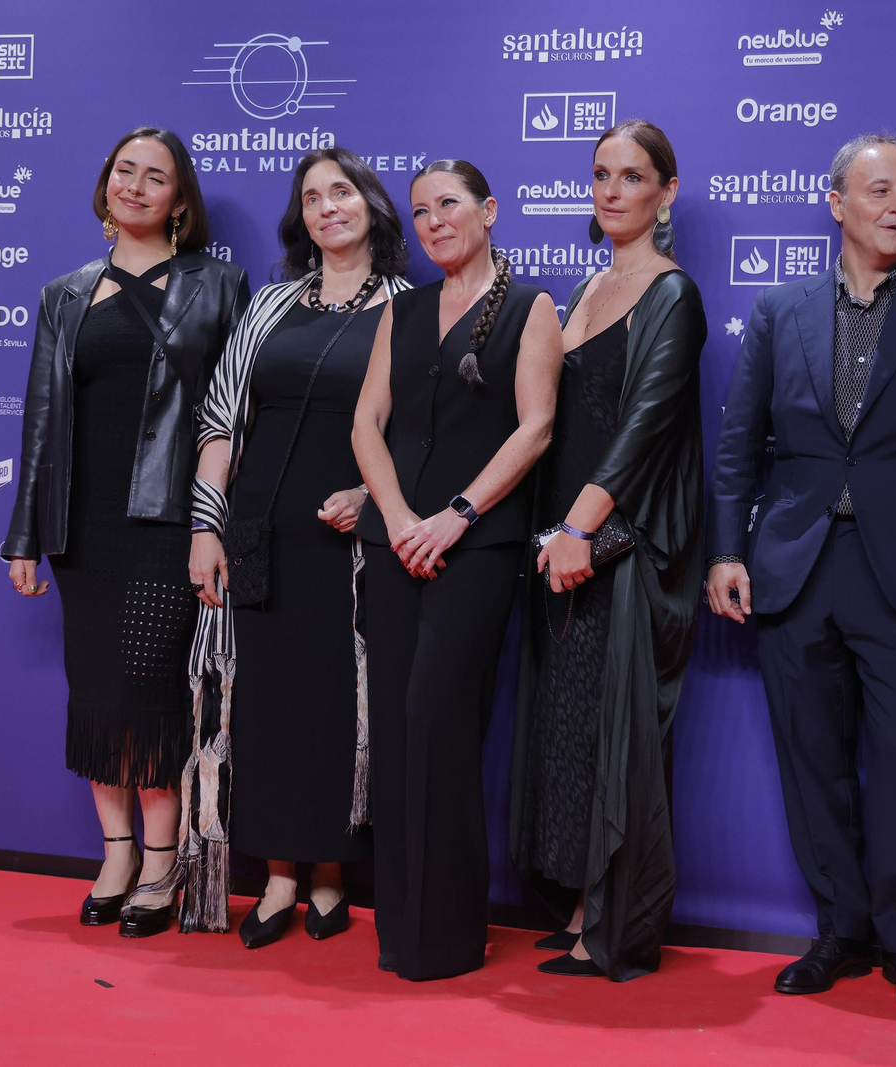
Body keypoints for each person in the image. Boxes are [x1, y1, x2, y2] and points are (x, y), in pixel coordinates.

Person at [708, 133, 896, 1012]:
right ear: (837, 202)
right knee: (811, 757)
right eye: (879, 191)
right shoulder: (779, 309)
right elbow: (737, 446)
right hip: (794, 564)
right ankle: (840, 929)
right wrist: (727, 548)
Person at [1, 126, 249, 938]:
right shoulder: (65, 292)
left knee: (147, 695)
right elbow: (41, 419)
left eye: (156, 177)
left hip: (169, 519)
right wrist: (26, 536)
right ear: (105, 185)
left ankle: (162, 859)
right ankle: (115, 853)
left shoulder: (219, 284)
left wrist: (215, 520)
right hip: (84, 525)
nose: (136, 186)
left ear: (180, 201)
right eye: (124, 171)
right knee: (96, 693)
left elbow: (233, 413)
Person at [179, 149, 412, 944]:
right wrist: (206, 526)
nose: (326, 207)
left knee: (337, 707)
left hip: (349, 552)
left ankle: (329, 873)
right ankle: (277, 874)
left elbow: (422, 432)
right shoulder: (269, 304)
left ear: (372, 205)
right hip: (255, 534)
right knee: (263, 705)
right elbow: (219, 422)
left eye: (341, 191)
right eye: (311, 197)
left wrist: (370, 493)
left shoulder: (410, 307)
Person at [352, 159, 564, 981]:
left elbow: (535, 427)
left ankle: (447, 934)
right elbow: (369, 424)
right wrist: (401, 517)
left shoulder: (531, 306)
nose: (435, 220)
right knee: (399, 737)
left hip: (474, 549)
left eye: (449, 204)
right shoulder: (400, 310)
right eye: (420, 211)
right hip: (392, 541)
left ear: (489, 210)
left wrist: (457, 515)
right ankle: (400, 932)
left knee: (437, 721)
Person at [509, 120, 707, 980]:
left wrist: (582, 530)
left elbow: (642, 430)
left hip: (621, 548)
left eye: (633, 176)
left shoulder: (673, 293)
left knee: (618, 737)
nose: (612, 189)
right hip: (563, 546)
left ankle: (618, 926)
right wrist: (556, 537)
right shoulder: (585, 289)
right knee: (572, 731)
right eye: (600, 174)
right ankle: (585, 905)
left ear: (665, 191)